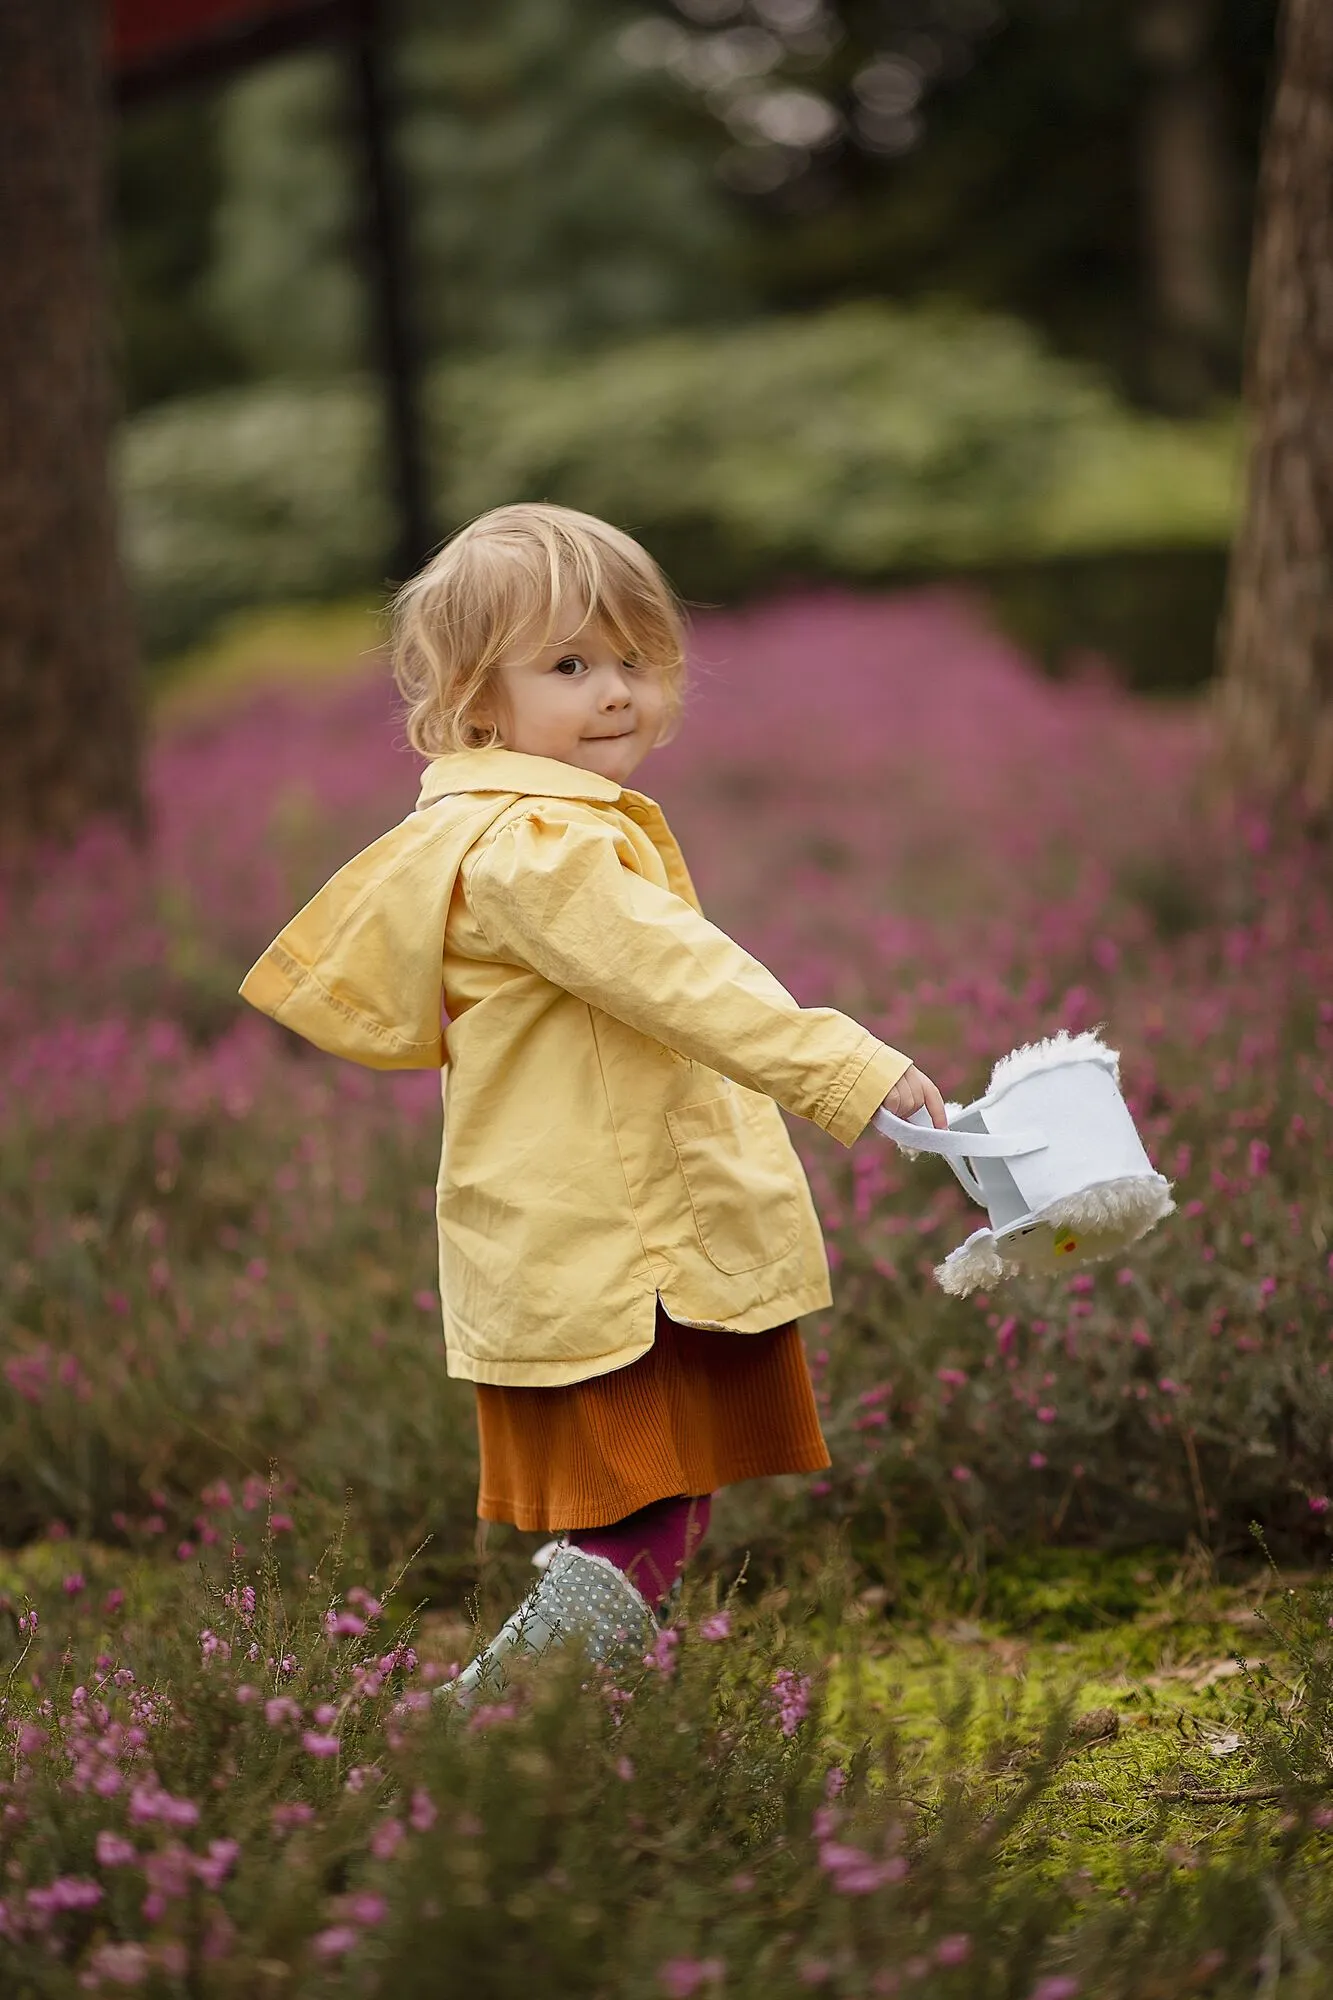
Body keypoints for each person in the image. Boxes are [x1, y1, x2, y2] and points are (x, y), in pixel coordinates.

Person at [238, 502, 946, 1699]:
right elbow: (686, 980)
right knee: (644, 1504)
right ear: (477, 698)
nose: (615, 690)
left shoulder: (532, 827)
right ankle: (508, 1721)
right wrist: (853, 1071)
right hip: (618, 1246)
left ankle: (577, 1717)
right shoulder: (539, 848)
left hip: (617, 1232)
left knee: (662, 1499)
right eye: (570, 665)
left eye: (634, 657)